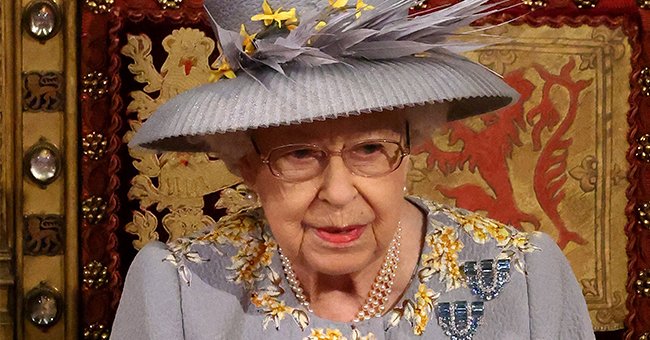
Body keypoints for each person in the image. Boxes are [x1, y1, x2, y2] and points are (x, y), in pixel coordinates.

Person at [111, 0, 595, 339]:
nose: (339, 194)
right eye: (298, 156)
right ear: (246, 162)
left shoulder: (526, 279)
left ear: (410, 144)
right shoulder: (177, 291)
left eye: (369, 149)